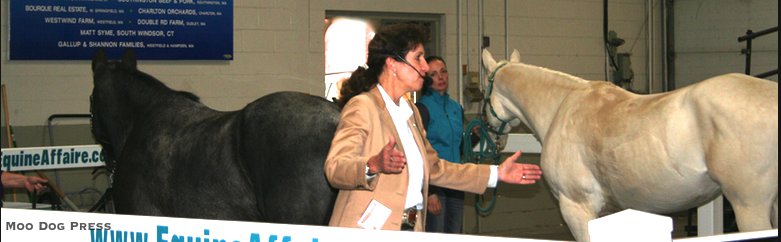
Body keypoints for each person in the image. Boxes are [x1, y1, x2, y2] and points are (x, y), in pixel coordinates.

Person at [325, 22, 542, 232]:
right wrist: (372, 164)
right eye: (418, 57)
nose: (425, 67)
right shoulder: (363, 106)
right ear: (393, 64)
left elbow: (436, 169)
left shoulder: (411, 113)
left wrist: (496, 174)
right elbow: (335, 168)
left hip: (410, 228)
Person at [414, 56, 470, 233]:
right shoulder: (421, 109)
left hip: (456, 182)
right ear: (426, 79)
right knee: (436, 233)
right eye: (434, 74)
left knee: (455, 234)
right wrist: (429, 192)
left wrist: (476, 136)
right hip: (435, 184)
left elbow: (460, 146)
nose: (441, 77)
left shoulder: (456, 108)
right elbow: (419, 152)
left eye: (443, 72)